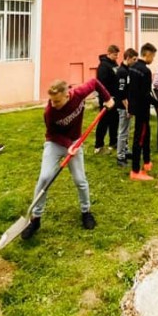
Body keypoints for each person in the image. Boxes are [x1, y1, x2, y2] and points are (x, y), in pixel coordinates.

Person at [20, 78, 114, 240]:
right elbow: (52, 133)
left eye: (57, 101)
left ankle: (86, 212)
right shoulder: (49, 112)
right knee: (45, 178)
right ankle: (35, 219)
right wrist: (68, 144)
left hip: (75, 141)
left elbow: (95, 82)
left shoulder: (78, 94)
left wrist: (107, 98)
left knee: (80, 180)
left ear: (67, 95)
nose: (53, 104)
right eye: (51, 100)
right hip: (55, 143)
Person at [127, 43, 158, 181]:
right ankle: (135, 171)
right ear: (148, 54)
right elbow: (145, 94)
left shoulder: (132, 67)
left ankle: (146, 162)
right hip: (142, 109)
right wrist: (157, 103)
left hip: (135, 106)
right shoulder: (145, 71)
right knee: (139, 139)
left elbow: (131, 89)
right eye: (153, 56)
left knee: (146, 135)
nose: (153, 59)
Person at [94, 45, 120, 154]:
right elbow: (101, 85)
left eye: (117, 55)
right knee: (104, 122)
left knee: (114, 121)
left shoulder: (115, 64)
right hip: (106, 99)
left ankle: (113, 142)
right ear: (109, 53)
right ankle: (98, 146)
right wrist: (106, 98)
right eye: (115, 55)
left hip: (115, 98)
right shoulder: (103, 66)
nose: (116, 57)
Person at [115, 48, 138, 166]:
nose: (135, 62)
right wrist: (128, 108)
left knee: (127, 130)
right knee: (123, 132)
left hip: (128, 105)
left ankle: (125, 150)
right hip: (123, 106)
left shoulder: (128, 70)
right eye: (134, 59)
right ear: (128, 58)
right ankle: (120, 157)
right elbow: (121, 93)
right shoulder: (122, 72)